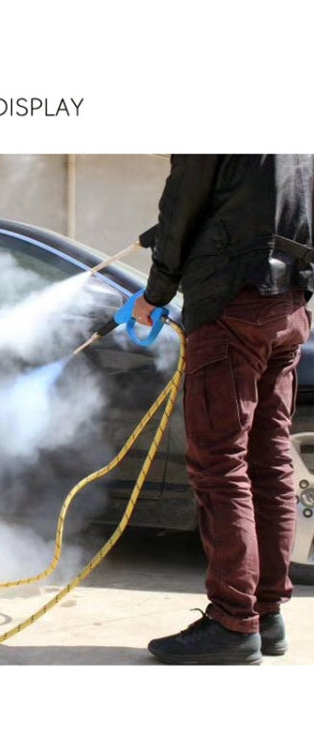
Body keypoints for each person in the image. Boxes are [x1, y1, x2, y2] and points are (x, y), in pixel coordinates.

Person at [133, 154, 314, 665]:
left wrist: (156, 293)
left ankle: (233, 622)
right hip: (289, 305)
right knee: (269, 463)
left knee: (220, 465)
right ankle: (266, 615)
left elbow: (181, 205)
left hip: (232, 305)